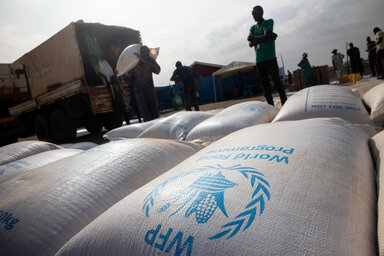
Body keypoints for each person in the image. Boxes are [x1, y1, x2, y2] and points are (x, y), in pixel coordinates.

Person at [247, 5, 287, 106]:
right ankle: (270, 107)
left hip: (270, 59)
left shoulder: (269, 22)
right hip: (259, 61)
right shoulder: (252, 27)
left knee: (277, 83)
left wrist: (255, 38)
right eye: (252, 15)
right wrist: (266, 36)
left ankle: (285, 104)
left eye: (254, 14)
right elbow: (250, 43)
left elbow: (257, 39)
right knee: (266, 86)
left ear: (261, 13)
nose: (253, 16)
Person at [128, 45, 161, 122]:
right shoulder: (135, 61)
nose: (145, 55)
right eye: (143, 53)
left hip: (149, 89)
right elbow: (129, 76)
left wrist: (146, 62)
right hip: (139, 91)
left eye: (146, 53)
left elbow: (158, 70)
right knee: (145, 114)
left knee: (155, 113)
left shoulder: (150, 60)